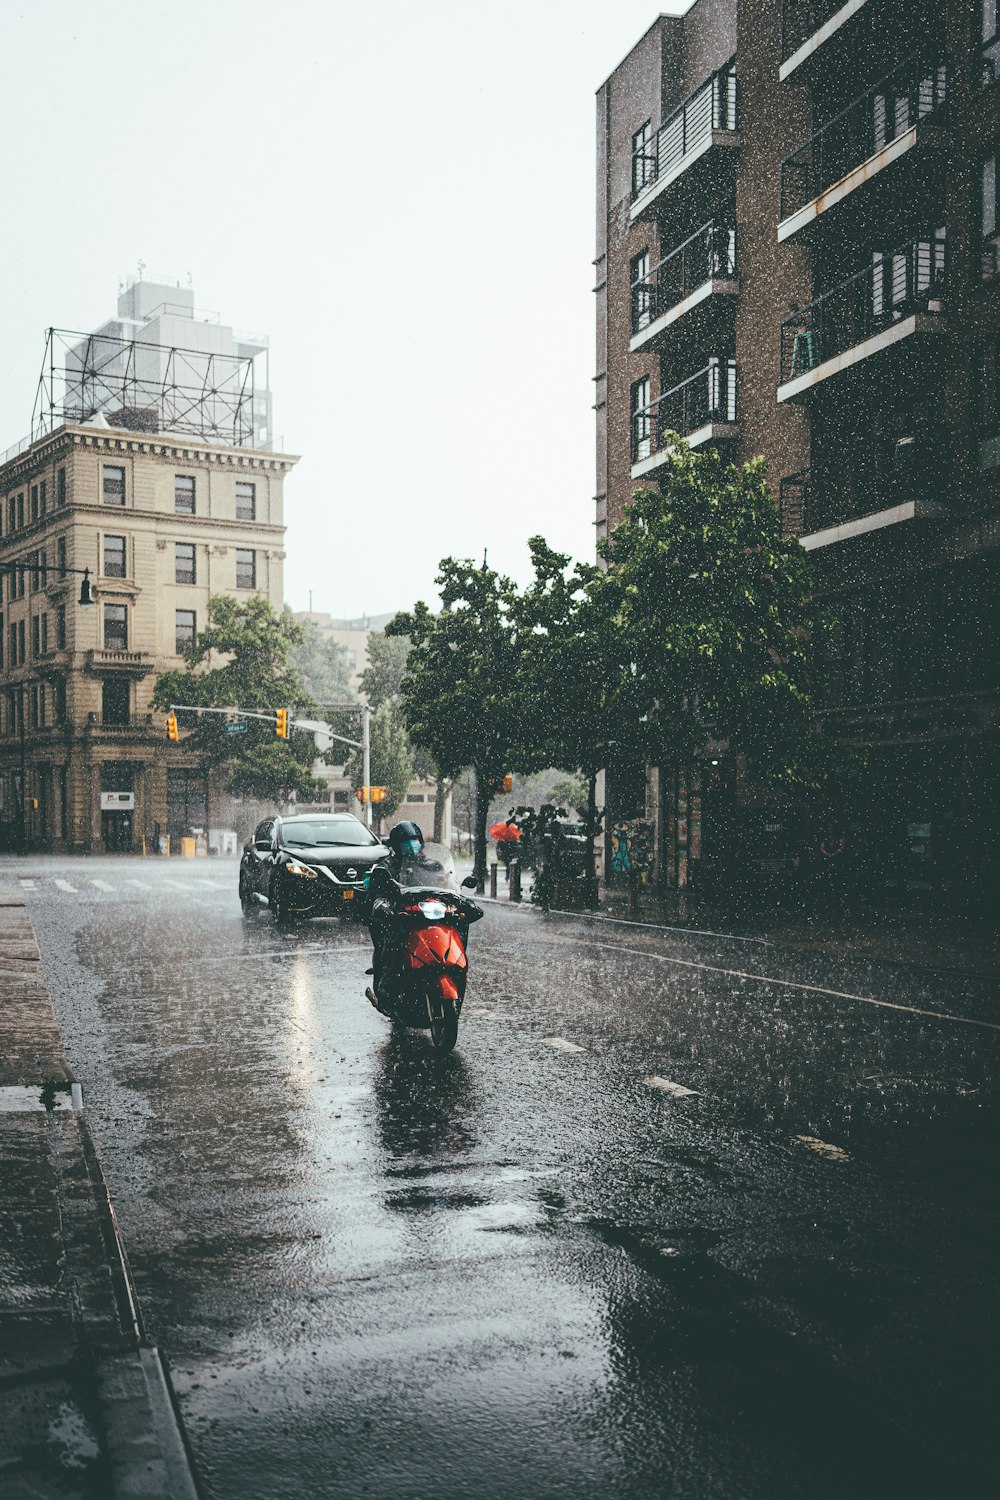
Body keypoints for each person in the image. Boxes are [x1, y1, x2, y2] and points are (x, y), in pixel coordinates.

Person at [366, 821, 425, 1002]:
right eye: (406, 841)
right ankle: (386, 991)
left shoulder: (430, 864)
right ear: (396, 846)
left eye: (414, 840)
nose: (411, 845)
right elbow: (377, 893)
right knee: (393, 945)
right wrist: (382, 905)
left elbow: (446, 883)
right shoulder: (386, 867)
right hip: (399, 918)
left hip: (424, 915)